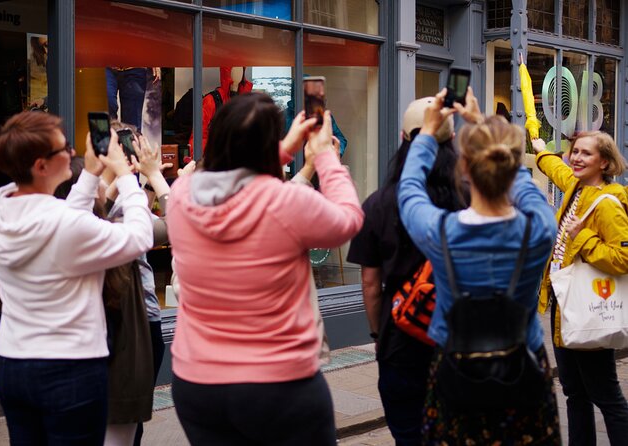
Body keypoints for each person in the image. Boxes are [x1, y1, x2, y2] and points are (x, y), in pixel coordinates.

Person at [166, 92, 364, 445]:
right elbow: (348, 220)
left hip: (198, 384)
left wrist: (284, 148)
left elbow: (231, 176)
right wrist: (326, 160)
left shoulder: (182, 194)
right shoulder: (287, 201)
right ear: (268, 144)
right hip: (278, 384)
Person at [397, 89, 561, 444]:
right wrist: (480, 122)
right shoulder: (539, 229)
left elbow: (409, 190)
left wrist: (425, 135)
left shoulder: (441, 232)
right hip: (524, 368)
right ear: (511, 164)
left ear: (465, 168)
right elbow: (529, 191)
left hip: (457, 371)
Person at [0, 111, 153, 444]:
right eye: (63, 150)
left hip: (14, 364)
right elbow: (139, 237)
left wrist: (90, 175)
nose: (72, 154)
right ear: (40, 166)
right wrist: (125, 175)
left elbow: (63, 217)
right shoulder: (69, 226)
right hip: (70, 369)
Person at [347, 96, 466, 445]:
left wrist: (377, 333)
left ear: (403, 137)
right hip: (458, 340)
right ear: (453, 138)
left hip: (400, 340)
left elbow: (370, 285)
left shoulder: (380, 203)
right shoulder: (470, 197)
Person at [532, 131, 628, 445]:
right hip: (565, 303)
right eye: (575, 151)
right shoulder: (576, 185)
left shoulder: (608, 204)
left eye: (586, 154)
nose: (576, 158)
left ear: (604, 162)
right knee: (574, 393)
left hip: (590, 307)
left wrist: (582, 237)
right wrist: (540, 150)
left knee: (607, 396)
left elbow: (623, 258)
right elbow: (556, 168)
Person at [106, 67, 161, 131]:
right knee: (108, 106)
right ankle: (105, 139)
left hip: (135, 68)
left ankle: (130, 139)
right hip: (106, 66)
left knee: (132, 124)